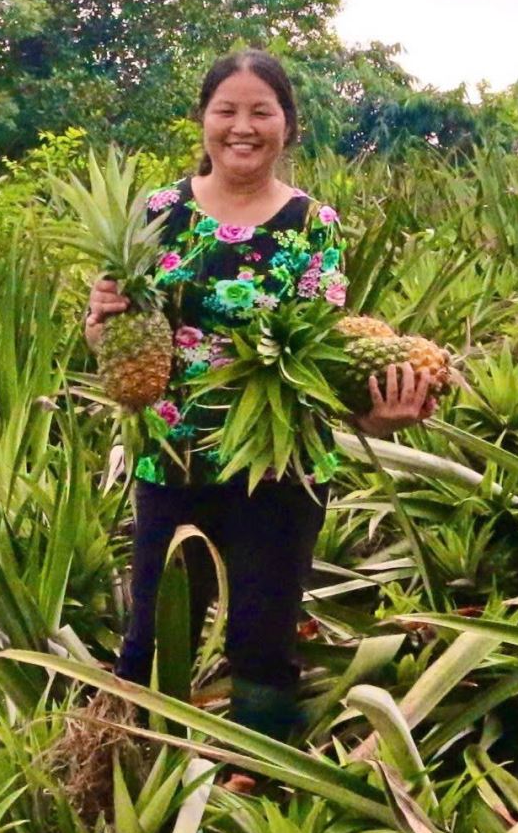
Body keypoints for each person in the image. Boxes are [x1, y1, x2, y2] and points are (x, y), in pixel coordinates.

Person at [85, 48, 434, 750]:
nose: (241, 127)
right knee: (152, 635)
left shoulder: (313, 225)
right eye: (226, 111)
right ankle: (120, 765)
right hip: (171, 459)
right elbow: (122, 338)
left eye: (260, 111)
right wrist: (100, 321)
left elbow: (323, 359)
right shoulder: (158, 214)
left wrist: (381, 414)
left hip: (281, 464)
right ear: (203, 121)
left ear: (287, 125)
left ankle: (262, 779)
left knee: (263, 636)